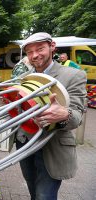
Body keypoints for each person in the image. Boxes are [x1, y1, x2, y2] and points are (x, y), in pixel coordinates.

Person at [16, 32, 87, 200]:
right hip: (25, 143)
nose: (35, 55)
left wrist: (64, 114)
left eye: (40, 49)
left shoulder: (73, 75)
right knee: (33, 190)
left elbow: (77, 116)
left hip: (52, 148)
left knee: (44, 196)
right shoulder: (24, 78)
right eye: (30, 52)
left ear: (52, 46)